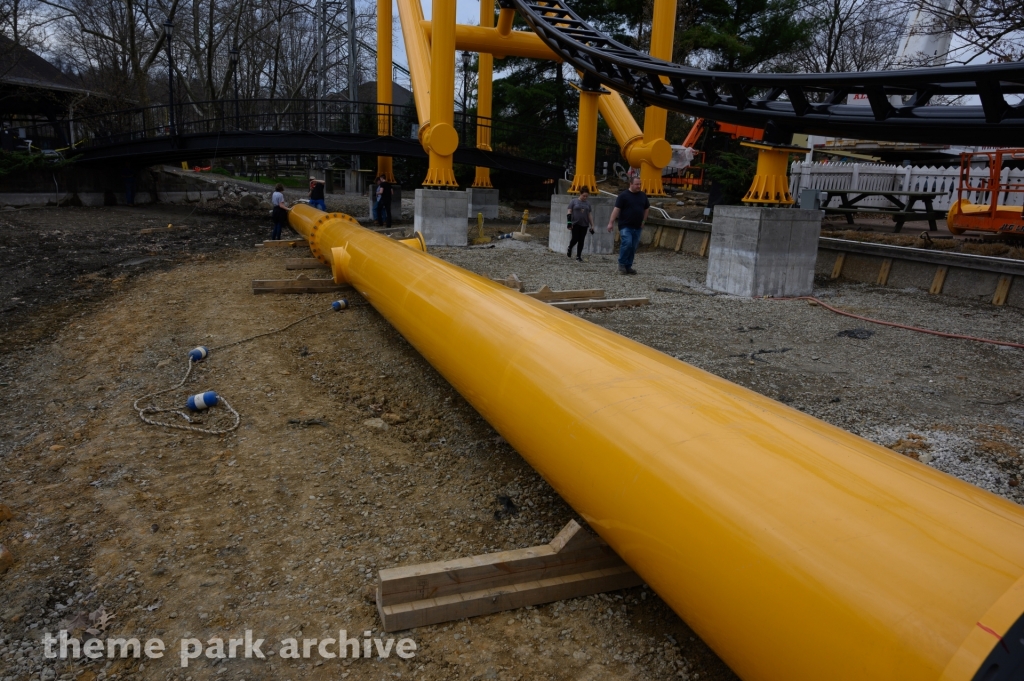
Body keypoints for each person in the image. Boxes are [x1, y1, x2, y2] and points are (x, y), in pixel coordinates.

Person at [606, 176, 649, 275]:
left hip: (638, 226)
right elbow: (616, 209)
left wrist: (644, 221)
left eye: (640, 184)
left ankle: (628, 266)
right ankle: (621, 264)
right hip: (625, 225)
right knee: (627, 243)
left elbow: (646, 208)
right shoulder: (623, 196)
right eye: (637, 184)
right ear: (631, 184)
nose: (639, 186)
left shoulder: (643, 196)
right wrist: (610, 223)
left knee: (633, 246)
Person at [565, 190, 594, 261]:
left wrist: (592, 225)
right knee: (575, 238)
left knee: (581, 240)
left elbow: (589, 214)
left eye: (586, 196)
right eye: (584, 196)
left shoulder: (588, 203)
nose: (585, 197)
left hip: (584, 224)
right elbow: (569, 211)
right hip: (575, 223)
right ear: (580, 194)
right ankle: (570, 247)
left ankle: (578, 256)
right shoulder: (574, 201)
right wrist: (569, 222)